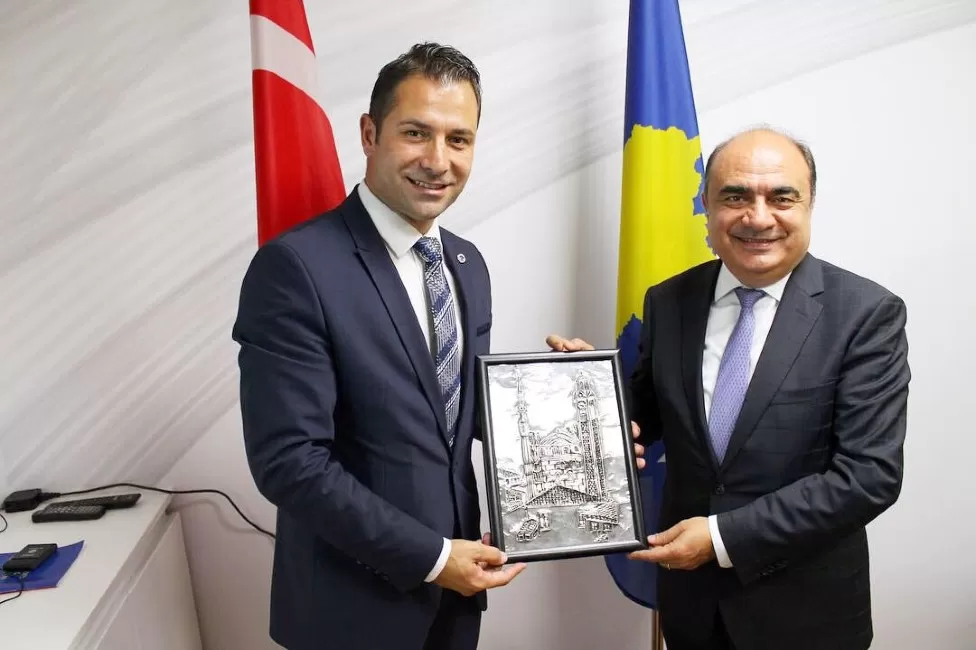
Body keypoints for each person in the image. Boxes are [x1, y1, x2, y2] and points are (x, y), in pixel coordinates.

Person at [548, 127, 910, 650]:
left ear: (809, 204)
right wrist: (587, 393)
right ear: (707, 205)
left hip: (807, 616)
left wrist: (721, 538)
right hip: (691, 609)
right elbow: (647, 415)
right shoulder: (668, 301)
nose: (758, 217)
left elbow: (868, 477)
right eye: (735, 197)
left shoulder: (865, 315)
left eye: (781, 197)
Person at [232, 43, 526, 650]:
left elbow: (458, 415)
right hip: (350, 611)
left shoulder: (467, 264)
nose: (438, 161)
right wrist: (432, 557)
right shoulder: (296, 268)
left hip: (455, 604)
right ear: (370, 134)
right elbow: (289, 462)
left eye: (459, 139)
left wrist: (565, 407)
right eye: (416, 133)